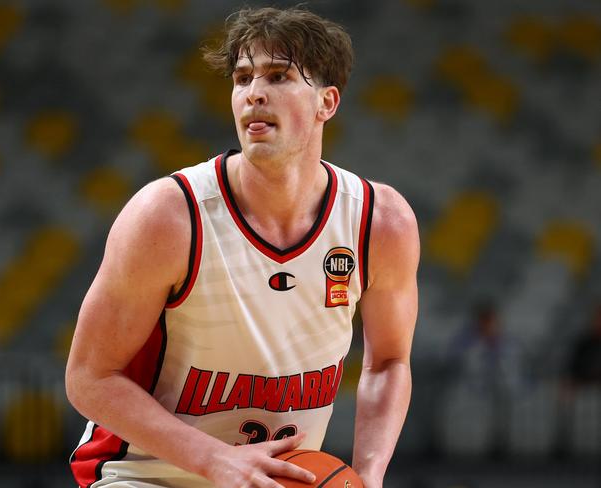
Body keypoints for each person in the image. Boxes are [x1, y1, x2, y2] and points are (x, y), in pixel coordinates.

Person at [65, 6, 419, 488]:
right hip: (146, 474)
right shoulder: (168, 215)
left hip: (277, 480)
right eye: (242, 78)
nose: (254, 93)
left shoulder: (380, 222)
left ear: (327, 103)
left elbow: (390, 362)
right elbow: (89, 377)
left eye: (278, 76)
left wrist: (370, 476)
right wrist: (215, 460)